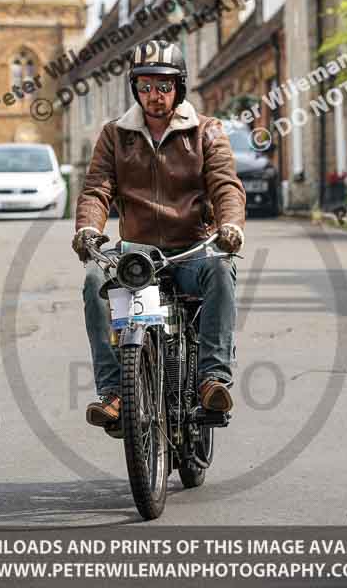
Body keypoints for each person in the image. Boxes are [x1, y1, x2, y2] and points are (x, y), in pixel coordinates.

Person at [72, 39, 246, 431]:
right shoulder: (115, 135)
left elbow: (225, 185)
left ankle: (212, 381)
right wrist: (87, 228)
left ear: (178, 88)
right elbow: (97, 189)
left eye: (163, 86)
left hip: (191, 251)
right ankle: (114, 394)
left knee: (221, 270)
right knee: (94, 281)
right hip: (138, 254)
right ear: (135, 88)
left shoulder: (206, 132)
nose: (154, 95)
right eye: (145, 86)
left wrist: (230, 225)